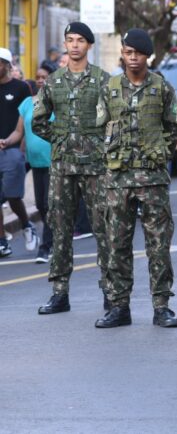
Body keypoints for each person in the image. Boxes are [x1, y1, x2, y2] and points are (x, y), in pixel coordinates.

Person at [95, 29, 177, 329]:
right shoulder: (110, 87)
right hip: (118, 179)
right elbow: (101, 126)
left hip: (152, 179)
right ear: (122, 54)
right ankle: (119, 307)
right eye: (128, 52)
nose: (132, 58)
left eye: (138, 53)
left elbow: (173, 127)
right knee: (117, 244)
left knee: (159, 244)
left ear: (147, 56)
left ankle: (162, 306)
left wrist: (160, 154)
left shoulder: (161, 87)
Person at [34, 23, 111, 314]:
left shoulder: (103, 80)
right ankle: (59, 293)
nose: (75, 45)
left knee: (104, 229)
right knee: (60, 229)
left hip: (95, 167)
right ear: (65, 44)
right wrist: (62, 139)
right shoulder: (53, 82)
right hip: (63, 167)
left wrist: (100, 145)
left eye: (80, 40)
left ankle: (111, 291)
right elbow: (39, 120)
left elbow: (115, 121)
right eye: (70, 40)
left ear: (89, 45)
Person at [0, 47, 36, 259]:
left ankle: (26, 224)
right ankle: (2, 241)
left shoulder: (21, 88)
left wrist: (22, 148)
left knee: (13, 196)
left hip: (13, 150)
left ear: (7, 65)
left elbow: (28, 118)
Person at [21, 68, 52, 264]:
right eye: (38, 77)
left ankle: (45, 247)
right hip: (35, 161)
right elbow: (20, 132)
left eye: (44, 77)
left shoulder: (56, 102)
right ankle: (55, 237)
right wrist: (11, 146)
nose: (40, 80)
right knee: (40, 204)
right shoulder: (27, 103)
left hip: (53, 161)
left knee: (48, 204)